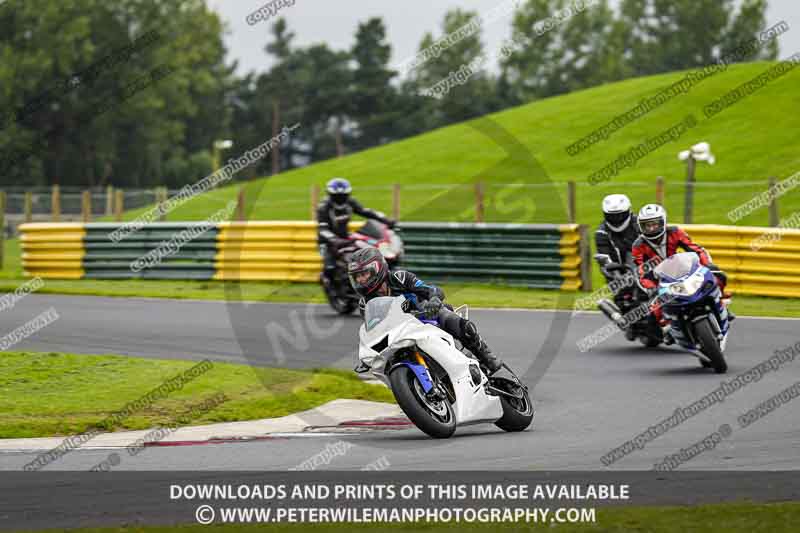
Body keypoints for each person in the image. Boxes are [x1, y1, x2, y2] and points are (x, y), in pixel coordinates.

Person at [347, 247, 502, 374]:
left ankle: (488, 357)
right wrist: (368, 355)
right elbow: (374, 332)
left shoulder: (399, 278)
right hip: (400, 334)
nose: (360, 280)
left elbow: (431, 289)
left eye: (363, 274)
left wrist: (433, 300)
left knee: (456, 322)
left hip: (427, 317)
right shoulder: (364, 304)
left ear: (378, 268)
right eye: (356, 277)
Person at [631, 204, 734, 341]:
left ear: (663, 222)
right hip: (659, 279)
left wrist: (707, 264)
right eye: (646, 226)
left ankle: (720, 301)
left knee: (719, 276)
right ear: (640, 227)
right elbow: (641, 272)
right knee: (654, 308)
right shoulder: (638, 245)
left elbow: (696, 249)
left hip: (682, 268)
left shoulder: (675, 232)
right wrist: (651, 288)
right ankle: (669, 328)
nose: (651, 228)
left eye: (655, 224)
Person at [317, 178, 396, 283]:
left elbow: (365, 211)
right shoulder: (323, 207)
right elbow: (322, 228)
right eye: (337, 196)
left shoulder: (350, 202)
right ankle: (328, 285)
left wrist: (386, 220)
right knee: (330, 268)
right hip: (327, 241)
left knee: (360, 260)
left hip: (345, 238)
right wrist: (334, 239)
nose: (340, 198)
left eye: (343, 195)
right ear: (330, 195)